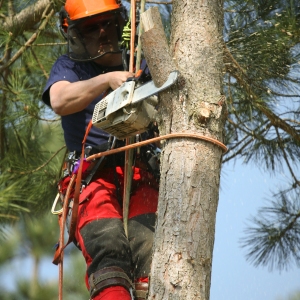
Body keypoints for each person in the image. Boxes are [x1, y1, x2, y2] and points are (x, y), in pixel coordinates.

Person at [42, 0, 159, 299]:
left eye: (108, 22)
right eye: (92, 27)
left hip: (141, 174)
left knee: (152, 251)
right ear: (76, 34)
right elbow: (60, 100)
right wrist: (106, 80)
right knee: (108, 251)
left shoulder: (140, 61)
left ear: (120, 22)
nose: (103, 31)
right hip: (94, 178)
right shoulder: (70, 68)